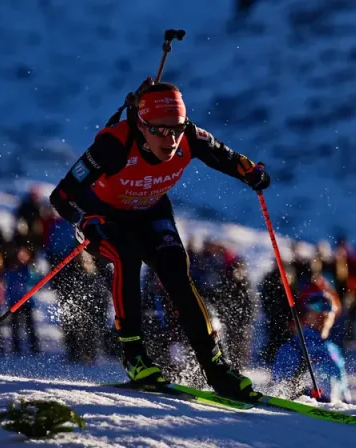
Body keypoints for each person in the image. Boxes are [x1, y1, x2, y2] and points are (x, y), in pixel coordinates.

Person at [49, 78, 270, 400]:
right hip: (104, 217)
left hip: (151, 212)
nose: (170, 139)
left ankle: (217, 369)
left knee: (176, 272)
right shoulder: (113, 145)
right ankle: (135, 357)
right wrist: (83, 219)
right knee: (126, 257)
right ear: (141, 125)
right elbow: (62, 196)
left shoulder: (190, 137)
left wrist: (251, 172)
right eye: (159, 130)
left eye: (177, 129)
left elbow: (227, 156)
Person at [272, 287, 352, 404]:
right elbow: (280, 387)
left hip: (333, 416)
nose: (323, 313)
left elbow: (343, 388)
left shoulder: (334, 349)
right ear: (306, 314)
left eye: (328, 308)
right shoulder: (293, 347)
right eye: (316, 307)